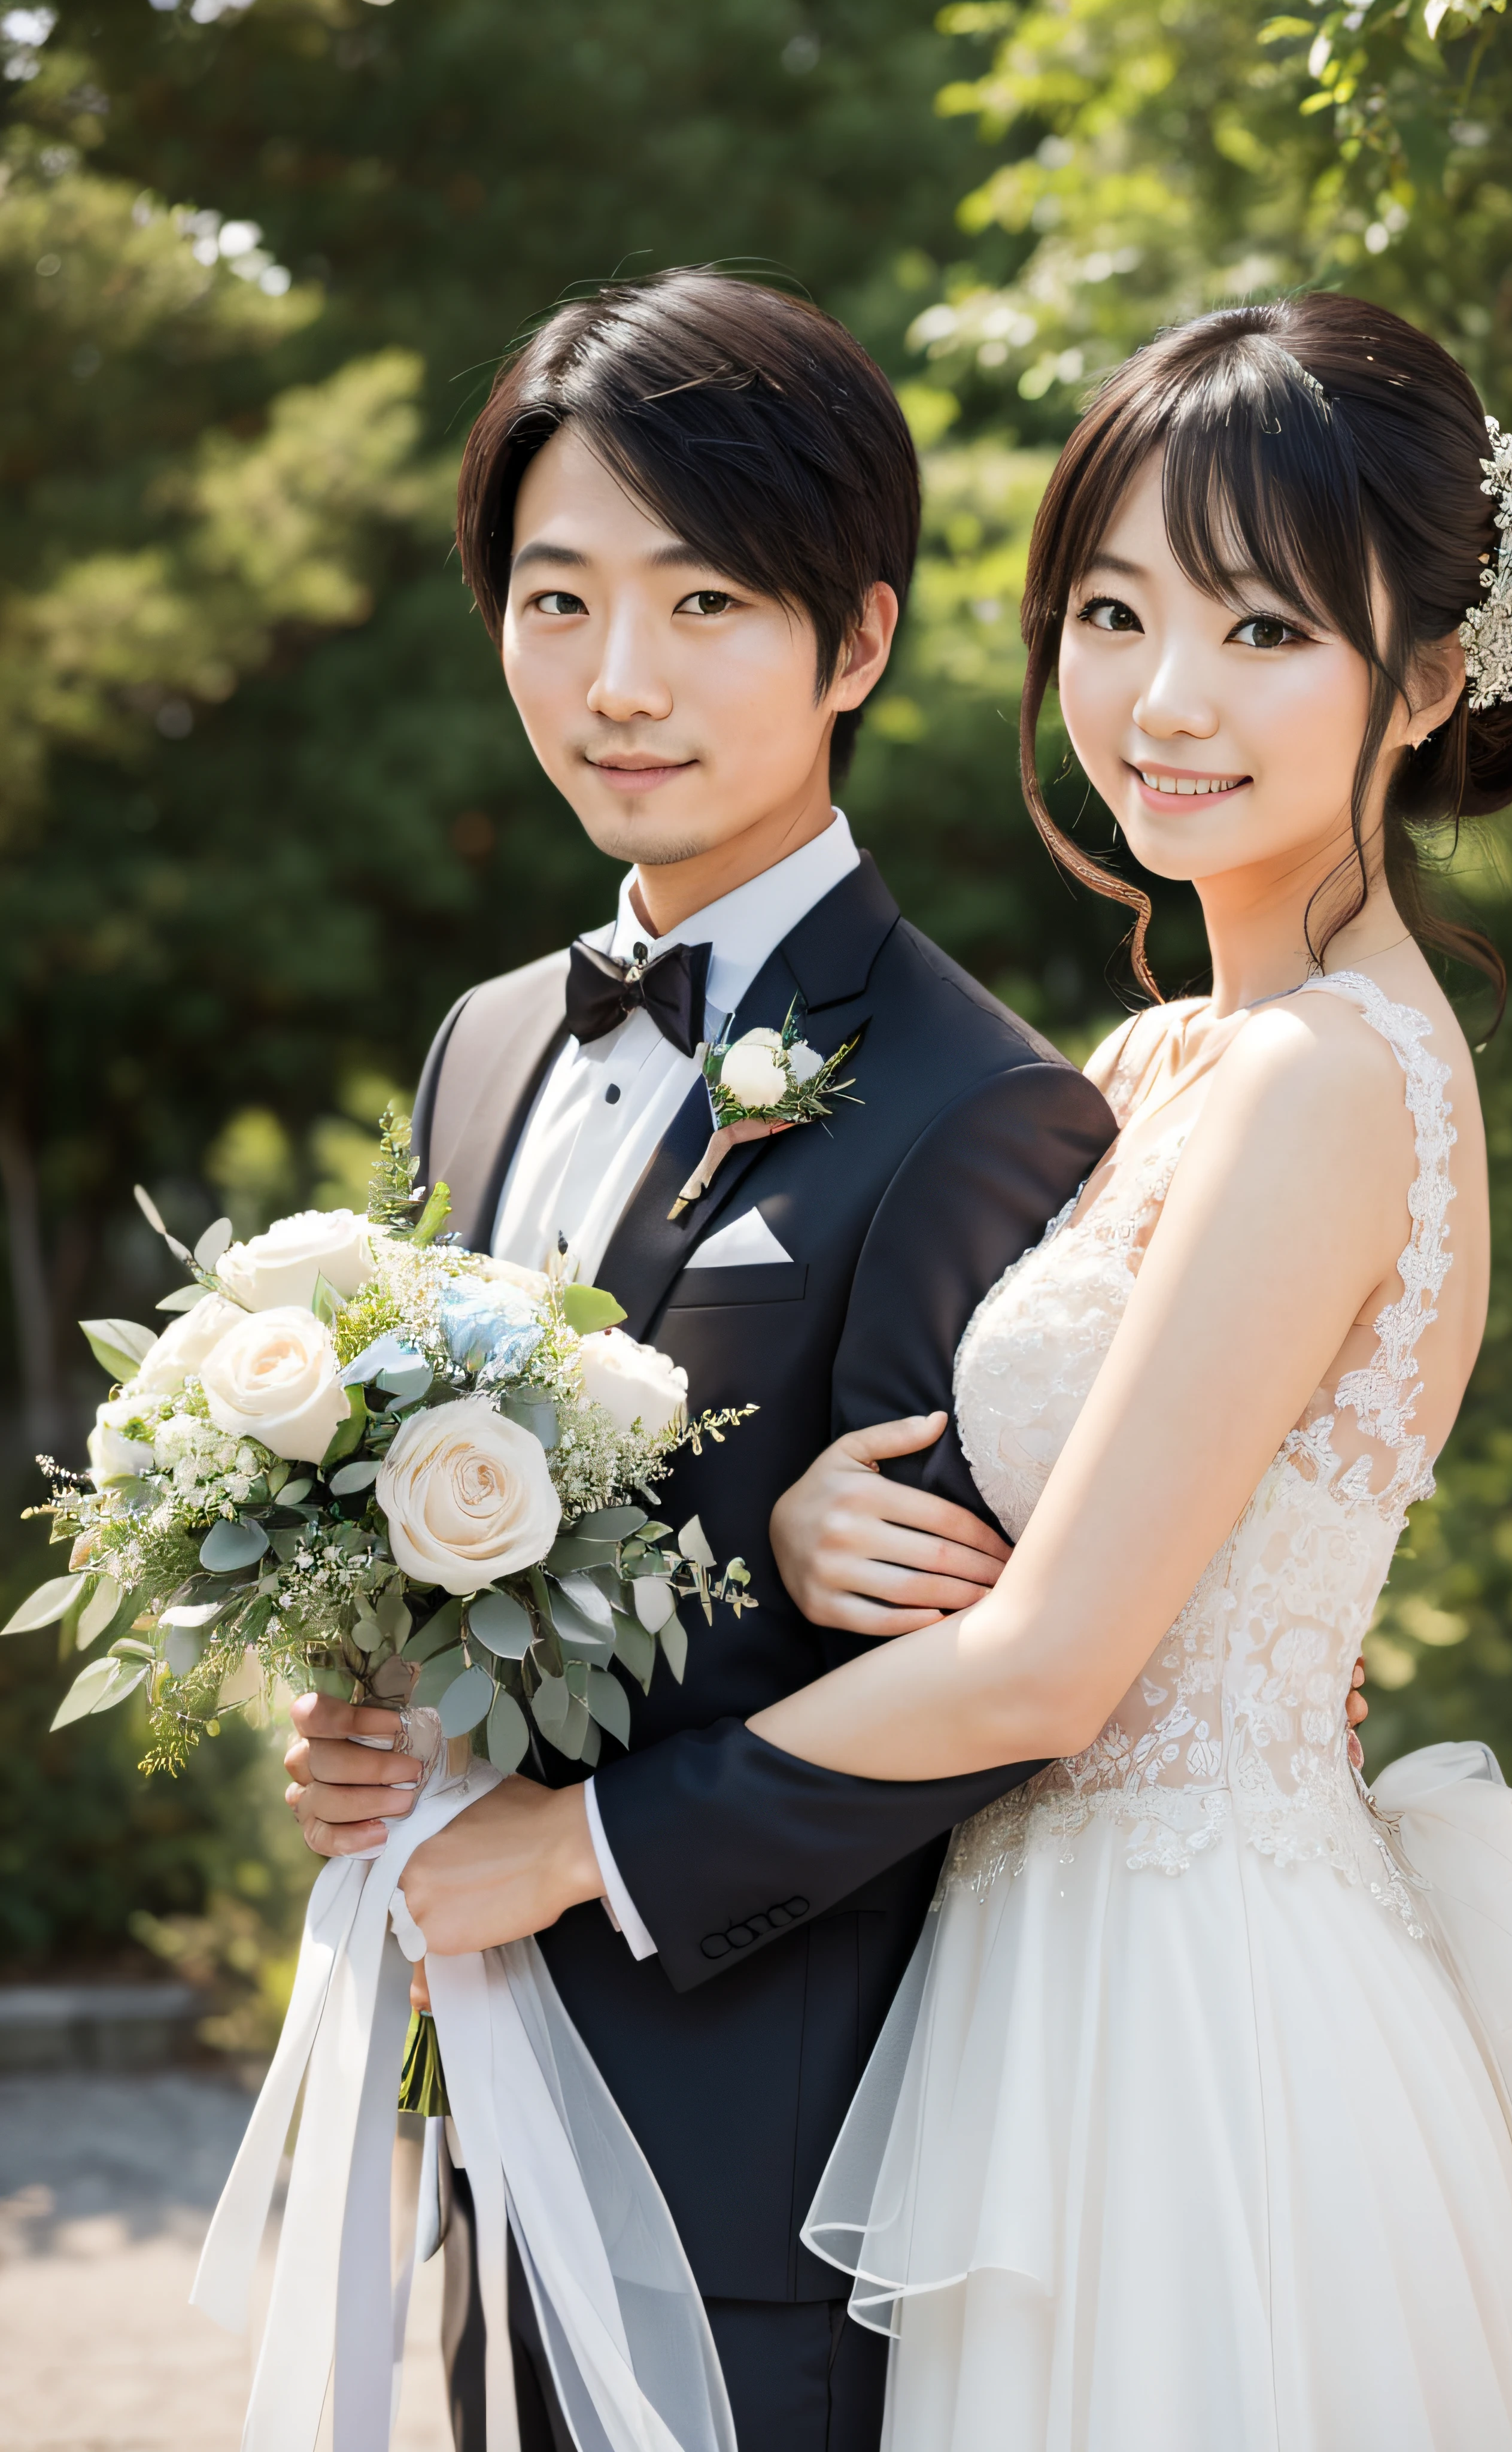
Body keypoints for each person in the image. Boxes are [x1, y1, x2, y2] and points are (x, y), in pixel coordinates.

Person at [740, 293, 1512, 2448]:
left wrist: (590, 1845)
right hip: (1057, 1977)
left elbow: (1058, 1668)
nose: (1160, 699)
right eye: (1114, 611)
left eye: (1256, 633)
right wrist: (805, 1515)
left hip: (1204, 2024)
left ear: (1422, 681)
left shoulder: (1330, 1082)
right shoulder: (1165, 1061)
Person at [281, 268, 1117, 2452]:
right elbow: (472, 1535)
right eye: (556, 603)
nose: (617, 681)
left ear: (855, 640)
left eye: (704, 602)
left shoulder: (978, 1100)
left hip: (762, 2148)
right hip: (484, 2096)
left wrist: (589, 1846)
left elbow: (977, 1684)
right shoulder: (483, 1045)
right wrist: (377, 1712)